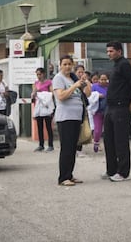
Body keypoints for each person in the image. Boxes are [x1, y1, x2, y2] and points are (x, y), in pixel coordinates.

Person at [103, 41, 131, 182]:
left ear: (119, 51)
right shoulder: (115, 66)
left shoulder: (124, 64)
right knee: (109, 141)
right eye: (107, 51)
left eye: (111, 51)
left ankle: (123, 172)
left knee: (120, 142)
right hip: (110, 107)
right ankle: (111, 170)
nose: (109, 54)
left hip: (121, 108)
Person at [52, 55, 91, 186]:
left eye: (70, 64)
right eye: (65, 64)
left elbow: (87, 94)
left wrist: (85, 83)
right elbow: (61, 96)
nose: (68, 66)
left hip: (76, 117)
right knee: (67, 147)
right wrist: (75, 86)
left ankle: (70, 174)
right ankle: (63, 177)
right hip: (66, 117)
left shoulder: (73, 78)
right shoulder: (58, 78)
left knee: (73, 147)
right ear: (60, 65)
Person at [31, 67, 55, 152]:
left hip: (46, 106)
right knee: (39, 126)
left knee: (48, 126)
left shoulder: (49, 82)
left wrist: (44, 95)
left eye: (40, 74)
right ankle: (41, 145)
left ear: (43, 74)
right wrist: (33, 94)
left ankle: (50, 145)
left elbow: (52, 92)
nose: (38, 76)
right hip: (39, 106)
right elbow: (34, 93)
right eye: (37, 74)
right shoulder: (36, 83)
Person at [90, 73, 108, 153]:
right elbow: (90, 97)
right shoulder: (94, 87)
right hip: (98, 111)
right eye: (101, 79)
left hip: (108, 112)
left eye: (105, 79)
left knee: (108, 130)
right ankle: (96, 142)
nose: (103, 81)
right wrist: (97, 95)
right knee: (97, 130)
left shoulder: (110, 87)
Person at [74, 64, 90, 158]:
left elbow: (88, 94)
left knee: (81, 127)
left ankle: (79, 148)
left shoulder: (84, 82)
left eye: (82, 72)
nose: (81, 74)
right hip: (74, 106)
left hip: (82, 106)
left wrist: (87, 82)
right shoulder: (72, 81)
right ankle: (74, 148)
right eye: (79, 72)